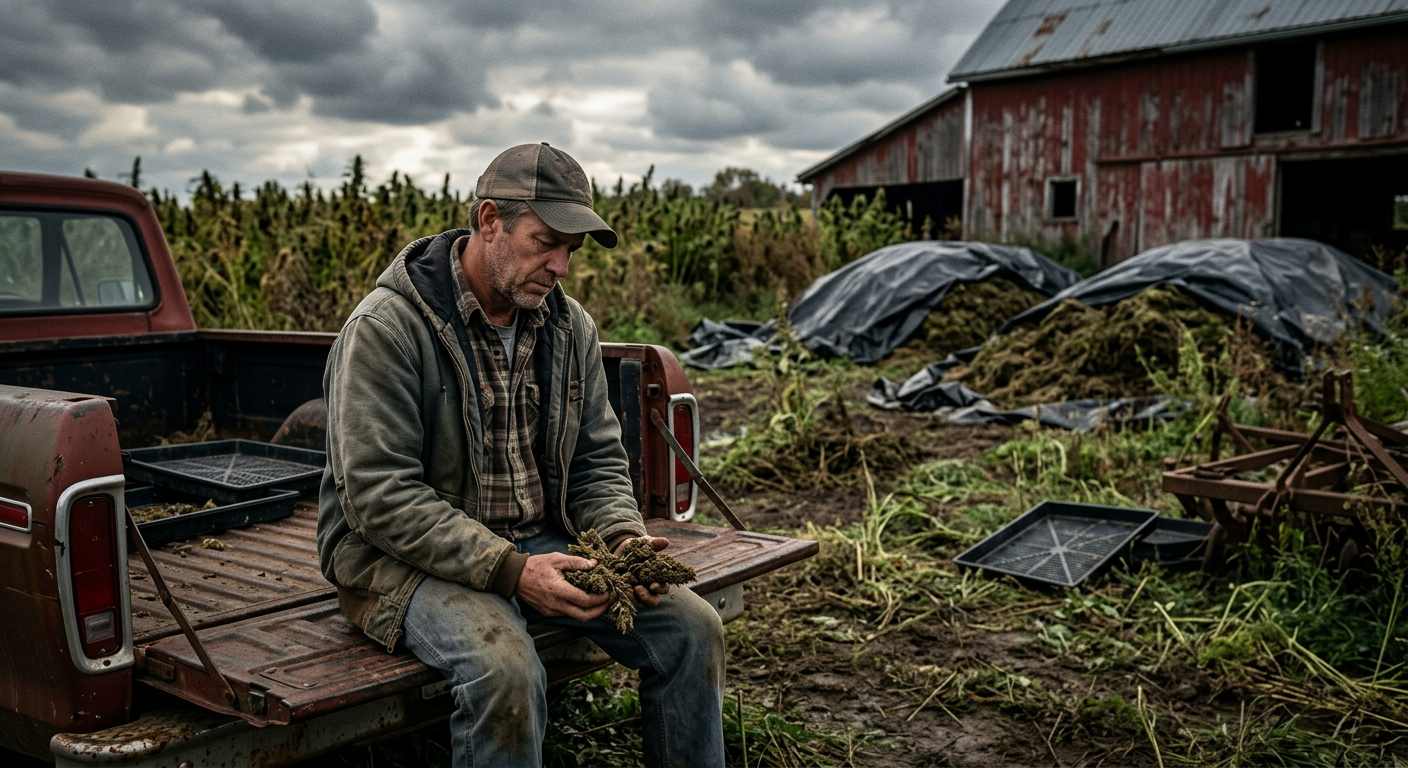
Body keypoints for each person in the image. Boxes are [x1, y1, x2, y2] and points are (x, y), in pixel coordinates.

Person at [316, 143, 726, 767]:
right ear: (489, 223)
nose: (561, 265)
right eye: (545, 242)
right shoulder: (388, 330)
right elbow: (379, 495)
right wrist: (511, 571)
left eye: (572, 250)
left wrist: (619, 540)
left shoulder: (568, 327)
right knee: (503, 667)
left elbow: (595, 459)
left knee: (693, 630)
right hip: (400, 559)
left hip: (535, 541)